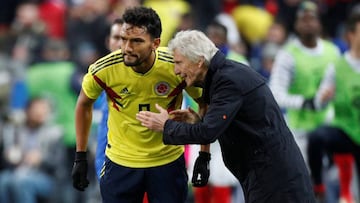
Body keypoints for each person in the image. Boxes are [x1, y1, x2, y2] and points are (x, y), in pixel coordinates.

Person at [136, 29, 316, 203]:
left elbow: (208, 133)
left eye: (179, 63)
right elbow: (230, 123)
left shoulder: (227, 81)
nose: (175, 70)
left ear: (199, 61)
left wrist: (166, 126)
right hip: (270, 174)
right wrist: (198, 122)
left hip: (276, 180)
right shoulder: (224, 75)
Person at [71, 6, 204, 203]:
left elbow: (204, 102)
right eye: (123, 39)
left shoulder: (175, 65)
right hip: (121, 163)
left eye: (137, 41)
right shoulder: (104, 69)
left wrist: (204, 154)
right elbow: (83, 104)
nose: (127, 48)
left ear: (155, 43)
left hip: (166, 161)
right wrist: (80, 156)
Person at [268, 1, 340, 166]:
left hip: (328, 126)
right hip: (300, 132)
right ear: (296, 25)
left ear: (319, 24)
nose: (308, 22)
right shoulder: (287, 55)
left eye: (312, 18)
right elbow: (276, 94)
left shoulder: (333, 51)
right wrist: (305, 103)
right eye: (303, 19)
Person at [307, 9, 360, 203]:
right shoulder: (337, 66)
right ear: (351, 35)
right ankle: (318, 186)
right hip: (346, 129)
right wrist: (324, 97)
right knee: (317, 137)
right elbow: (320, 101)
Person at [95, 17, 123, 180]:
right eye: (116, 38)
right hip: (106, 164)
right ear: (108, 41)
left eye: (125, 39)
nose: (120, 44)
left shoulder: (148, 79)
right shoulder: (98, 78)